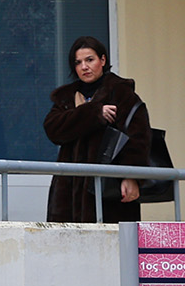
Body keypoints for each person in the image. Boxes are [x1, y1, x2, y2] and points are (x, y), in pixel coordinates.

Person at [42, 35, 151, 224]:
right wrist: (93, 113)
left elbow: (139, 137)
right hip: (69, 192)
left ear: (103, 60)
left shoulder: (121, 92)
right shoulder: (67, 97)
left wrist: (131, 177)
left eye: (90, 60)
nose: (84, 67)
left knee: (112, 239)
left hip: (109, 188)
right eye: (78, 62)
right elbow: (52, 129)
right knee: (65, 239)